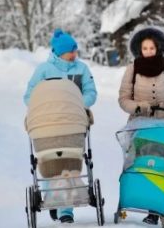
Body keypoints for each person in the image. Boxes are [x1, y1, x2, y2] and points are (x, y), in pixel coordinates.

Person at [23, 28, 97, 223]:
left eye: (75, 51)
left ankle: (66, 211)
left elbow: (91, 92)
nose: (75, 55)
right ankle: (52, 199)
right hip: (49, 123)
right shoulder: (44, 70)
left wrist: (77, 104)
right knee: (51, 165)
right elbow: (29, 96)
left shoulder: (81, 69)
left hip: (72, 122)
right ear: (59, 52)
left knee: (69, 165)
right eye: (71, 51)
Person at [118, 26, 164, 225]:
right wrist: (138, 107)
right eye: (144, 48)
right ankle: (135, 198)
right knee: (140, 164)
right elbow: (123, 99)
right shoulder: (133, 69)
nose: (148, 52)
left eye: (151, 48)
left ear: (158, 48)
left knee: (161, 166)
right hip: (139, 125)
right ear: (139, 49)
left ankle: (156, 209)